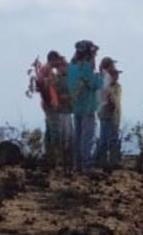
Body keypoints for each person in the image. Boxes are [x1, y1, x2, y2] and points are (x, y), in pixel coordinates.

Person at [67, 40, 102, 170]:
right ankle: (86, 164)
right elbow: (96, 84)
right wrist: (100, 77)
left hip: (76, 106)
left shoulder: (71, 67)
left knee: (78, 135)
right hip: (88, 106)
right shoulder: (85, 67)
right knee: (87, 137)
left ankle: (77, 164)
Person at [34, 50, 67, 167]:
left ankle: (49, 156)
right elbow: (42, 85)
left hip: (49, 103)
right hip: (50, 104)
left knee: (49, 131)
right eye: (57, 59)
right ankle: (56, 159)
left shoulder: (46, 70)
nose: (59, 62)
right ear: (53, 59)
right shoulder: (46, 70)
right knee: (55, 131)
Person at [97, 57, 123, 170]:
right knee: (110, 138)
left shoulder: (116, 86)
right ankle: (110, 162)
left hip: (112, 113)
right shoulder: (104, 82)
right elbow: (106, 98)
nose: (117, 75)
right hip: (107, 112)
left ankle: (102, 160)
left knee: (107, 137)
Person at [51, 57, 75, 171]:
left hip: (68, 111)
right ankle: (60, 161)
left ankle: (68, 161)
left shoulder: (69, 79)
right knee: (61, 137)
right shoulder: (56, 80)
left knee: (69, 137)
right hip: (59, 112)